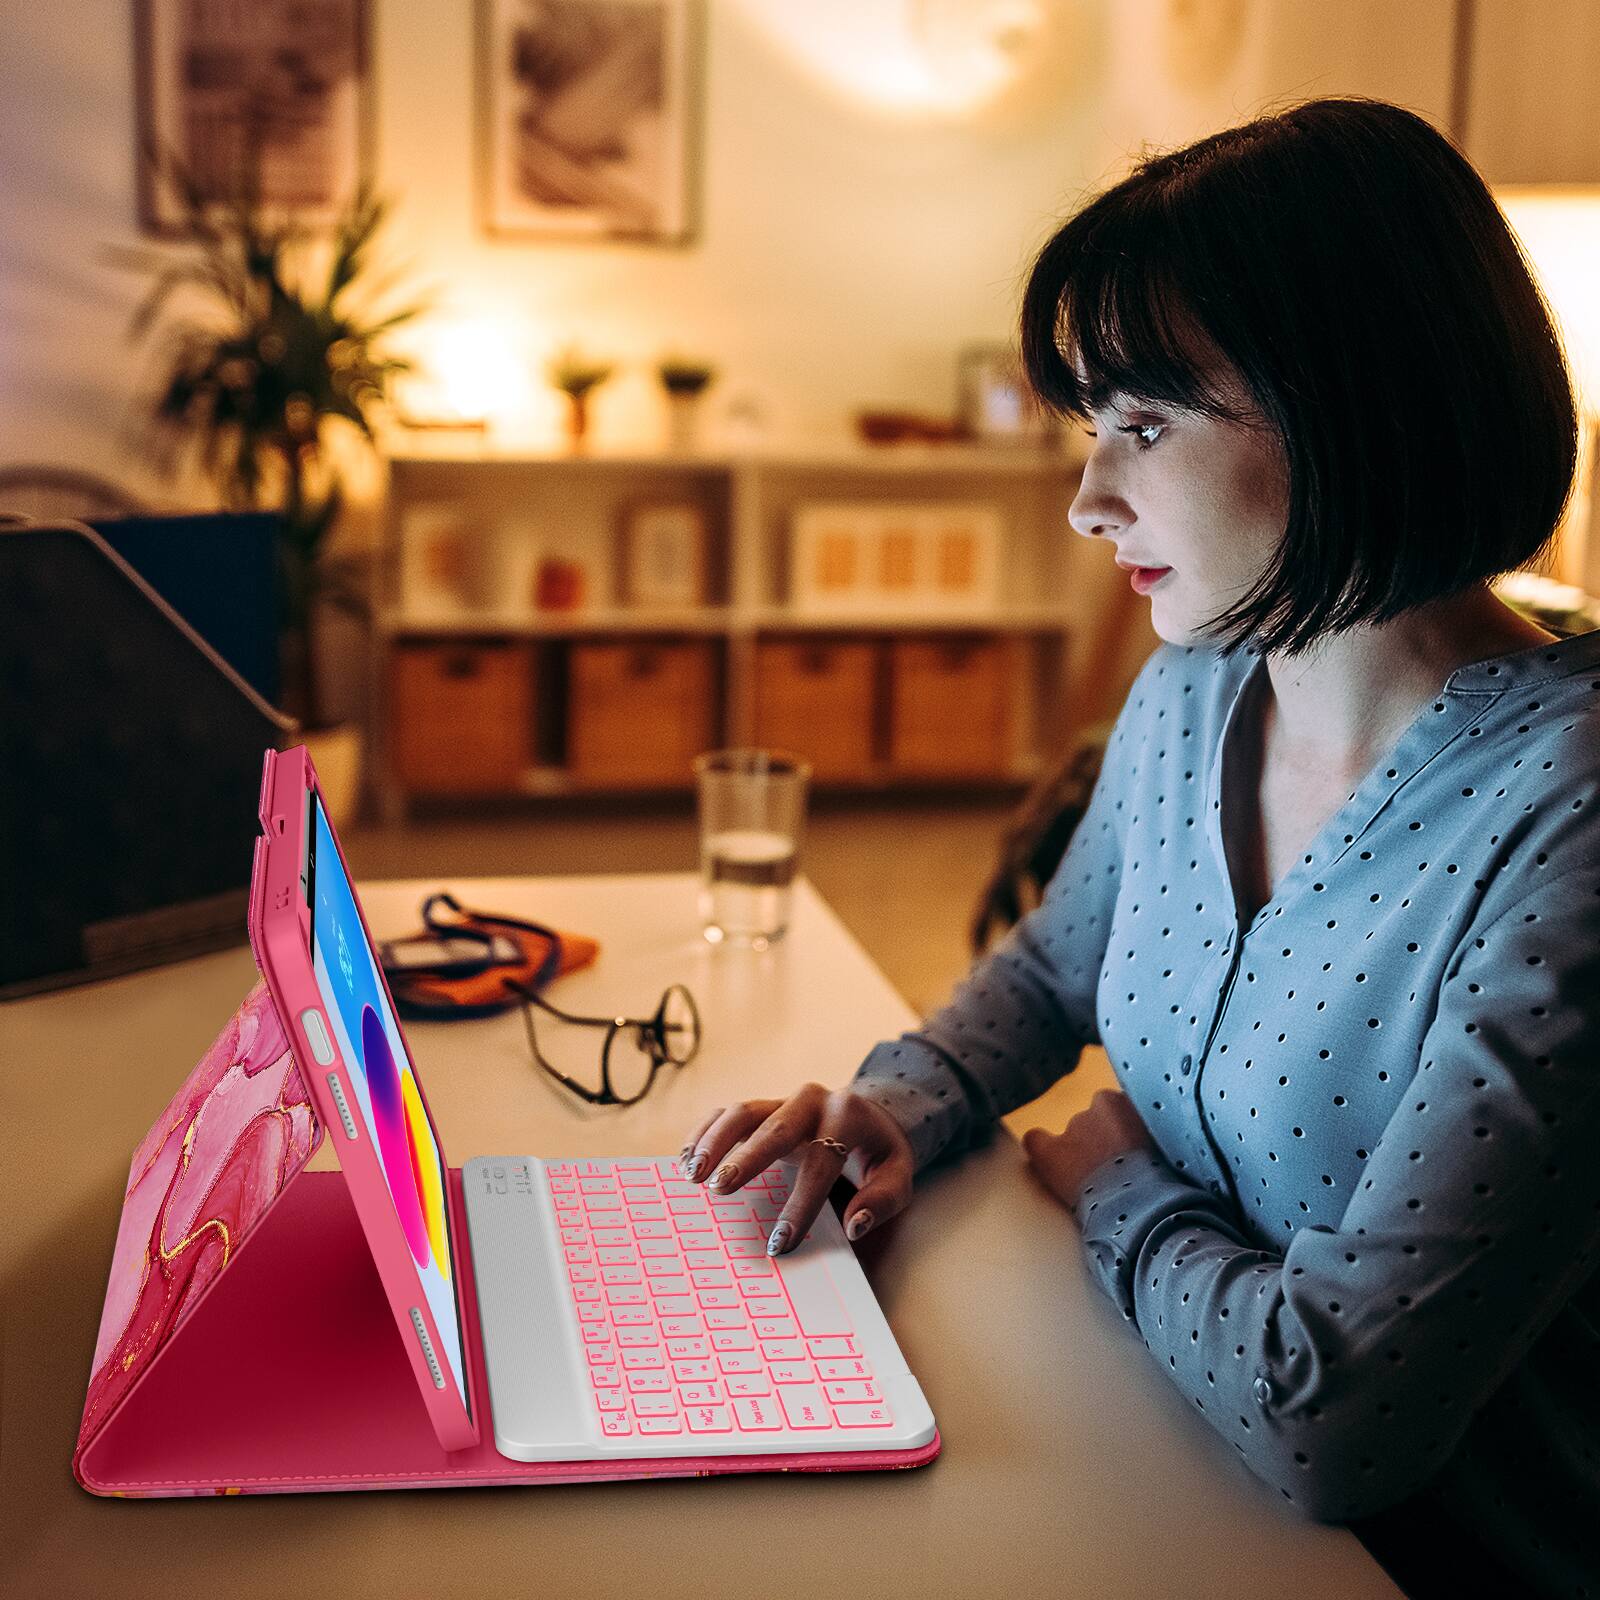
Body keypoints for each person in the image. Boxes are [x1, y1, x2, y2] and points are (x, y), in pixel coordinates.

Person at [678, 98, 1600, 1595]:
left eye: (1145, 428)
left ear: (1347, 401)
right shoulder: (1195, 687)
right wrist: (902, 1104)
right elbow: (1062, 959)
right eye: (1091, 429)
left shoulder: (1566, 816)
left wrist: (1116, 1186)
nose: (1088, 500)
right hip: (1155, 1442)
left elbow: (1338, 1420)